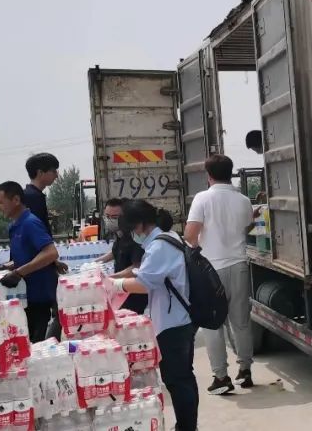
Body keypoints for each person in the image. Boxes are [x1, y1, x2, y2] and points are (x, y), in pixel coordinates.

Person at [110, 200, 198, 431]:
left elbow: (144, 283)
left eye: (131, 229)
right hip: (178, 318)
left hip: (173, 323)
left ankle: (187, 427)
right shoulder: (168, 238)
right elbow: (147, 272)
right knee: (183, 377)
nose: (131, 235)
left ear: (139, 225)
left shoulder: (160, 247)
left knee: (178, 380)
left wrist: (116, 285)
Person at [184, 154, 257, 395]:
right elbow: (247, 226)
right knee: (241, 322)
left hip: (211, 270)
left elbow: (190, 235)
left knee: (212, 323)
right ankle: (245, 370)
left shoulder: (203, 198)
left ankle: (221, 377)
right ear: (230, 173)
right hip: (239, 265)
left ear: (209, 175)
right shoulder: (244, 200)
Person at [0, 181, 61, 343]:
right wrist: (9, 267)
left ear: (16, 200)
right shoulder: (15, 226)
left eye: (0, 202)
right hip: (25, 297)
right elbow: (29, 254)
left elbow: (51, 252)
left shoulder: (30, 223)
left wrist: (19, 273)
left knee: (37, 344)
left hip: (38, 297)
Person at [96, 198, 148, 314]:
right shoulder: (120, 234)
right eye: (107, 216)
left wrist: (112, 278)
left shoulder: (135, 237)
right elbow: (115, 252)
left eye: (114, 217)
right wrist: (94, 263)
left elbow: (138, 266)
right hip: (120, 290)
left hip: (132, 292)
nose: (110, 220)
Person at [23, 153, 59, 235]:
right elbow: (38, 232)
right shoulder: (33, 197)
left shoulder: (30, 194)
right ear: (40, 173)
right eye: (54, 171)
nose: (56, 175)